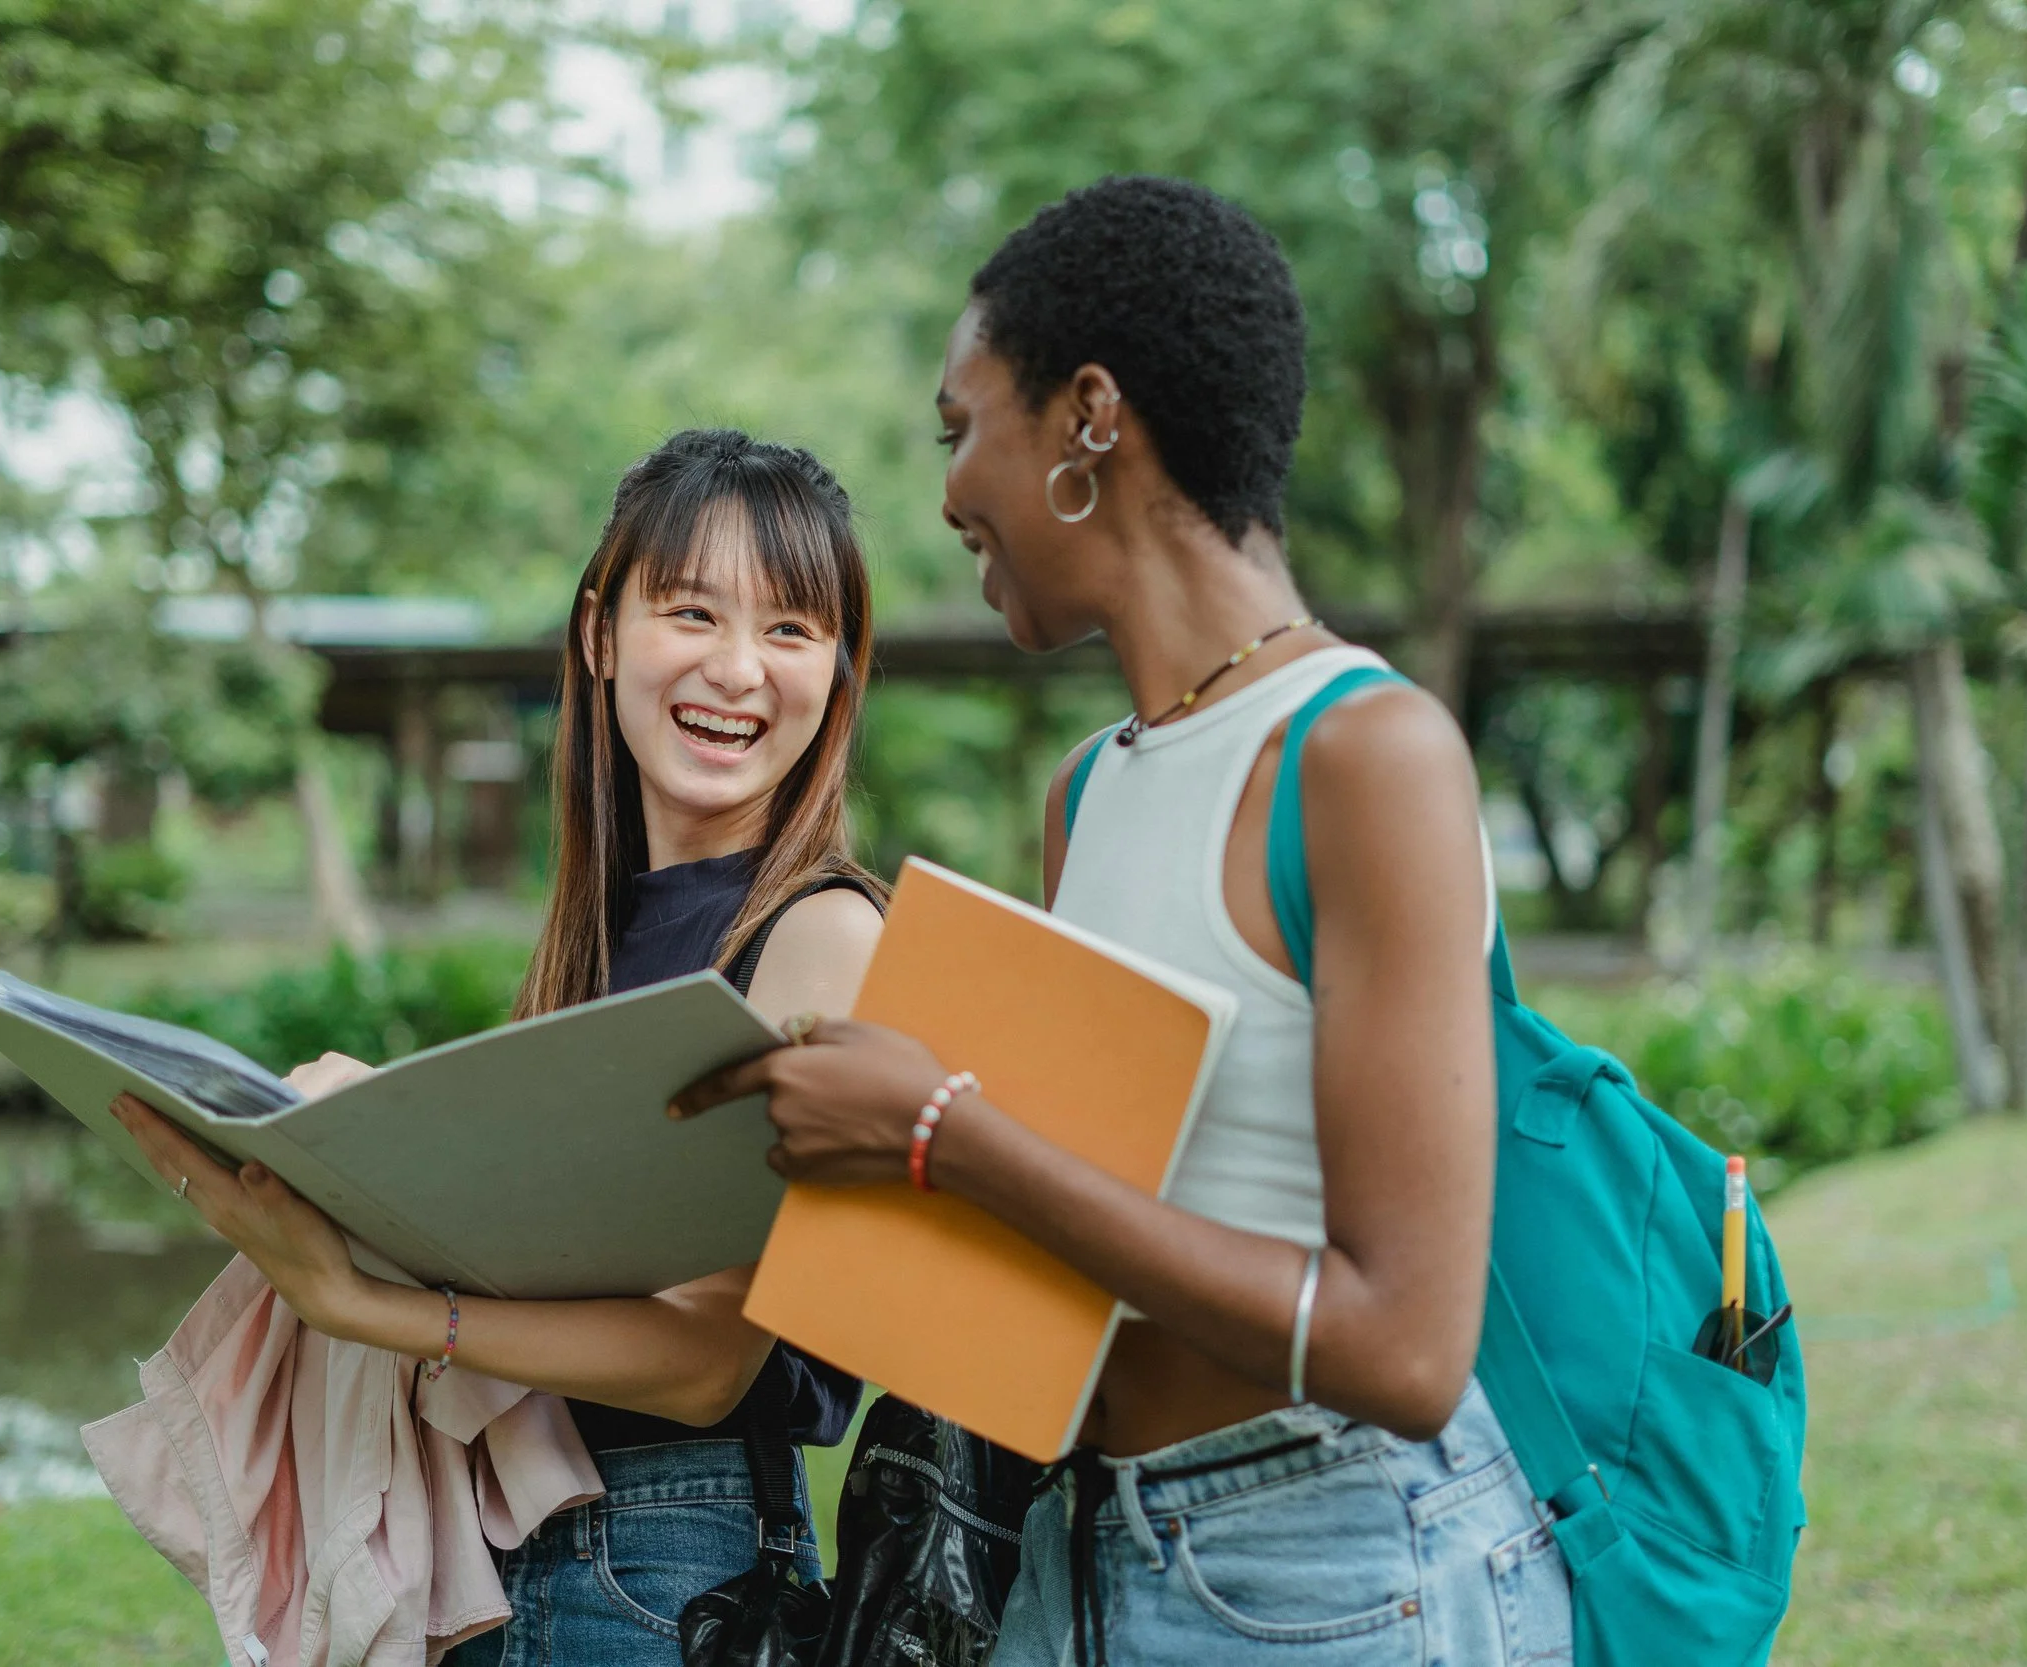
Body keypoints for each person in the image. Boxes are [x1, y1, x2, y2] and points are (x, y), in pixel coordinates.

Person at [674, 178, 1574, 1665]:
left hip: (1333, 1564)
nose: (950, 488)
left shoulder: (1364, 754)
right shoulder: (1090, 789)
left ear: (1089, 415)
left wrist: (943, 1132)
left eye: (962, 426)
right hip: (1085, 1548)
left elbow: (1406, 1350)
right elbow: (1085, 1226)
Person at [114, 428, 886, 1667]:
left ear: (840, 669)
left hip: (665, 1553)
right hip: (515, 1527)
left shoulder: (822, 930)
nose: (740, 669)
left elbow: (709, 1355)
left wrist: (371, 1304)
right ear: (601, 631)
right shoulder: (604, 929)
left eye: (792, 629)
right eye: (692, 611)